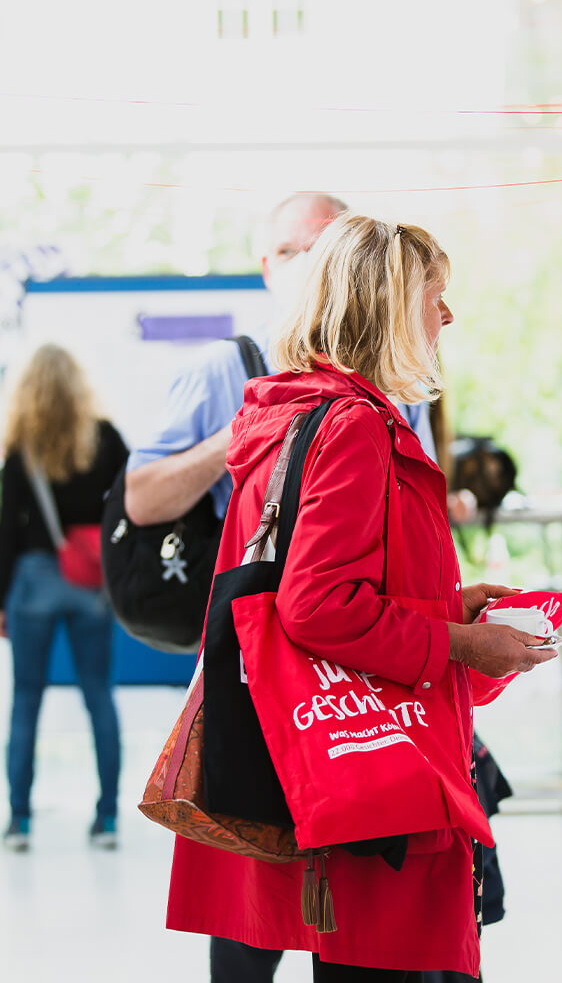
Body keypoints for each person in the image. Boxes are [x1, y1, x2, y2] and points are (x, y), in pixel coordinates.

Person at [165, 212, 557, 980]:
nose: (447, 314)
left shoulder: (294, 409)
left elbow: (326, 581)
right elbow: (317, 605)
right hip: (370, 756)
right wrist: (463, 642)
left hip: (309, 741)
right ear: (383, 304)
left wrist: (448, 601)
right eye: (433, 295)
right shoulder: (354, 426)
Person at [125, 191, 347, 982]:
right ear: (266, 266)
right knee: (253, 882)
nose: (311, 264)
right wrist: (240, 433)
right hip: (256, 667)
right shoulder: (230, 366)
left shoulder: (395, 371)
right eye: (293, 250)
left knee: (353, 892)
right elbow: (142, 498)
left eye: (327, 246)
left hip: (360, 671)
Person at [0, 344, 128, 850]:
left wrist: (1, 598)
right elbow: (126, 506)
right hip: (88, 580)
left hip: (32, 579)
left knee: (26, 699)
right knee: (98, 694)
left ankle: (20, 821)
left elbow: (7, 530)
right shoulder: (105, 438)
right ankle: (107, 820)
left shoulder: (21, 445)